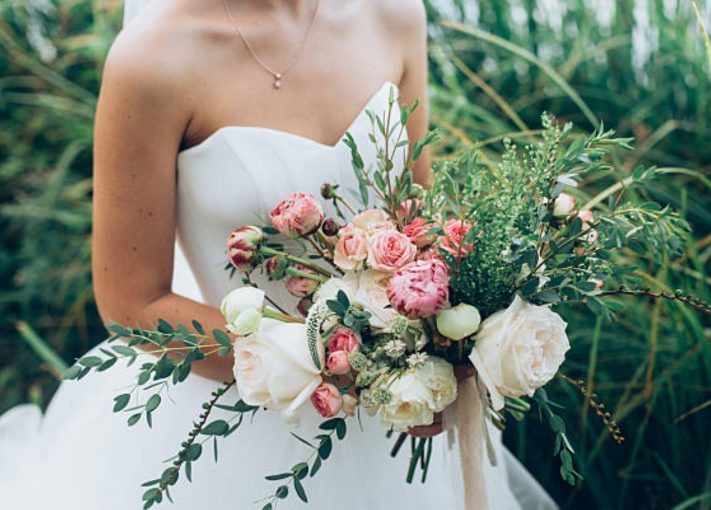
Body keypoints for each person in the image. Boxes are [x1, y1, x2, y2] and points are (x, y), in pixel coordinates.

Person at [0, 1, 558, 508]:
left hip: (401, 415)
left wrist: (449, 337)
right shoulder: (151, 60)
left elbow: (418, 220)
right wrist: (341, 370)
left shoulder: (394, 14)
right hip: (238, 422)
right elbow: (131, 302)